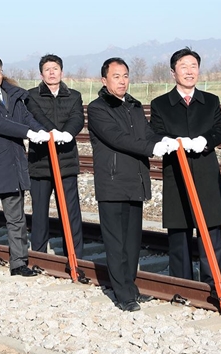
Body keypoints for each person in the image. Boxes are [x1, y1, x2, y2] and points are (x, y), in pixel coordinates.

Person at [87, 57, 169, 312]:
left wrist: (169, 140)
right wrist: (152, 147)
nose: (122, 81)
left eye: (125, 76)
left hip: (135, 180)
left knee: (133, 241)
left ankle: (130, 287)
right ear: (104, 80)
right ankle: (122, 294)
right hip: (112, 182)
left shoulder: (134, 106)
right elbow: (117, 138)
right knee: (116, 241)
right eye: (116, 76)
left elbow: (146, 133)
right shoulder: (98, 108)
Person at [150, 47, 221, 289]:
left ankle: (212, 282)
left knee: (211, 232)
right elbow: (156, 131)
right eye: (183, 66)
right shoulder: (160, 104)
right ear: (173, 72)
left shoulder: (211, 101)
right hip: (176, 173)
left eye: (193, 66)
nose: (189, 71)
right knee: (179, 234)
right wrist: (174, 142)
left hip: (206, 172)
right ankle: (182, 285)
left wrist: (205, 140)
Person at [0, 55, 51, 279]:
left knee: (16, 219)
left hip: (13, 164)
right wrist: (28, 133)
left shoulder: (12, 96)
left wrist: (41, 131)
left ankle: (19, 262)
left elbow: (26, 117)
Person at [25, 54, 85, 261]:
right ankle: (39, 255)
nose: (52, 72)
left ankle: (75, 255)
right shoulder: (31, 95)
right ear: (41, 74)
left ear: (62, 71)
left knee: (70, 212)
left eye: (55, 68)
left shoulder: (74, 95)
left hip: (66, 161)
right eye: (48, 69)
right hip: (40, 162)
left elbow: (77, 117)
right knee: (39, 213)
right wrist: (51, 132)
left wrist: (67, 133)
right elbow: (36, 116)